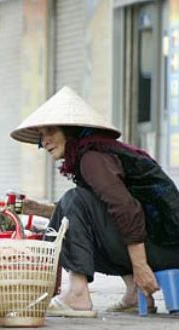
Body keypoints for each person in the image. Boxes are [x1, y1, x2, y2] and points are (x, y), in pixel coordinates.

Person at [10, 86, 179, 317]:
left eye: (51, 131)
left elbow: (127, 210)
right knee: (75, 208)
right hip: (163, 243)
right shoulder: (97, 153)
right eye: (42, 135)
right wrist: (37, 209)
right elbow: (98, 212)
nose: (45, 140)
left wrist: (141, 266)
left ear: (70, 132)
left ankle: (78, 294)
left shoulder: (92, 157)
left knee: (73, 200)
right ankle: (134, 294)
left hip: (167, 247)